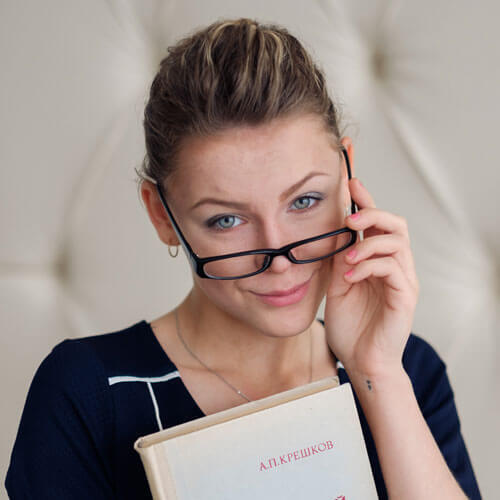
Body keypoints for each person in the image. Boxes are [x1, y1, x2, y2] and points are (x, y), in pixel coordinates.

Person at [5, 18, 481, 500]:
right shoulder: (88, 393)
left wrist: (376, 373)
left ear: (346, 171)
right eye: (226, 221)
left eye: (305, 201)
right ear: (161, 214)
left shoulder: (407, 370)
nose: (279, 259)